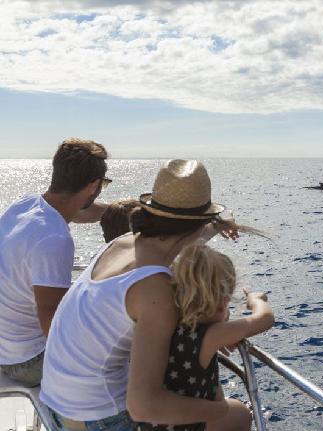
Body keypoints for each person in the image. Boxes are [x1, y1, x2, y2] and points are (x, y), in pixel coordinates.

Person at [40, 159, 243, 431]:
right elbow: (143, 406)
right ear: (200, 221)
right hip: (100, 420)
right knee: (237, 415)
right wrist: (219, 409)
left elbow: (180, 240)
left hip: (56, 408)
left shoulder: (121, 244)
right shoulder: (155, 289)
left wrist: (214, 227)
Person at [0, 138, 110, 387]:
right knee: (125, 356)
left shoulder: (26, 205)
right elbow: (53, 323)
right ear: (93, 185)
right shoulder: (55, 238)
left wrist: (125, 210)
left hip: (6, 347)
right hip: (26, 362)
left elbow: (80, 211)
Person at [141, 243, 274, 431]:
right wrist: (256, 300)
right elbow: (265, 319)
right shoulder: (210, 336)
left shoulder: (164, 324)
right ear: (221, 304)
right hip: (188, 426)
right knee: (242, 414)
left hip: (151, 425)